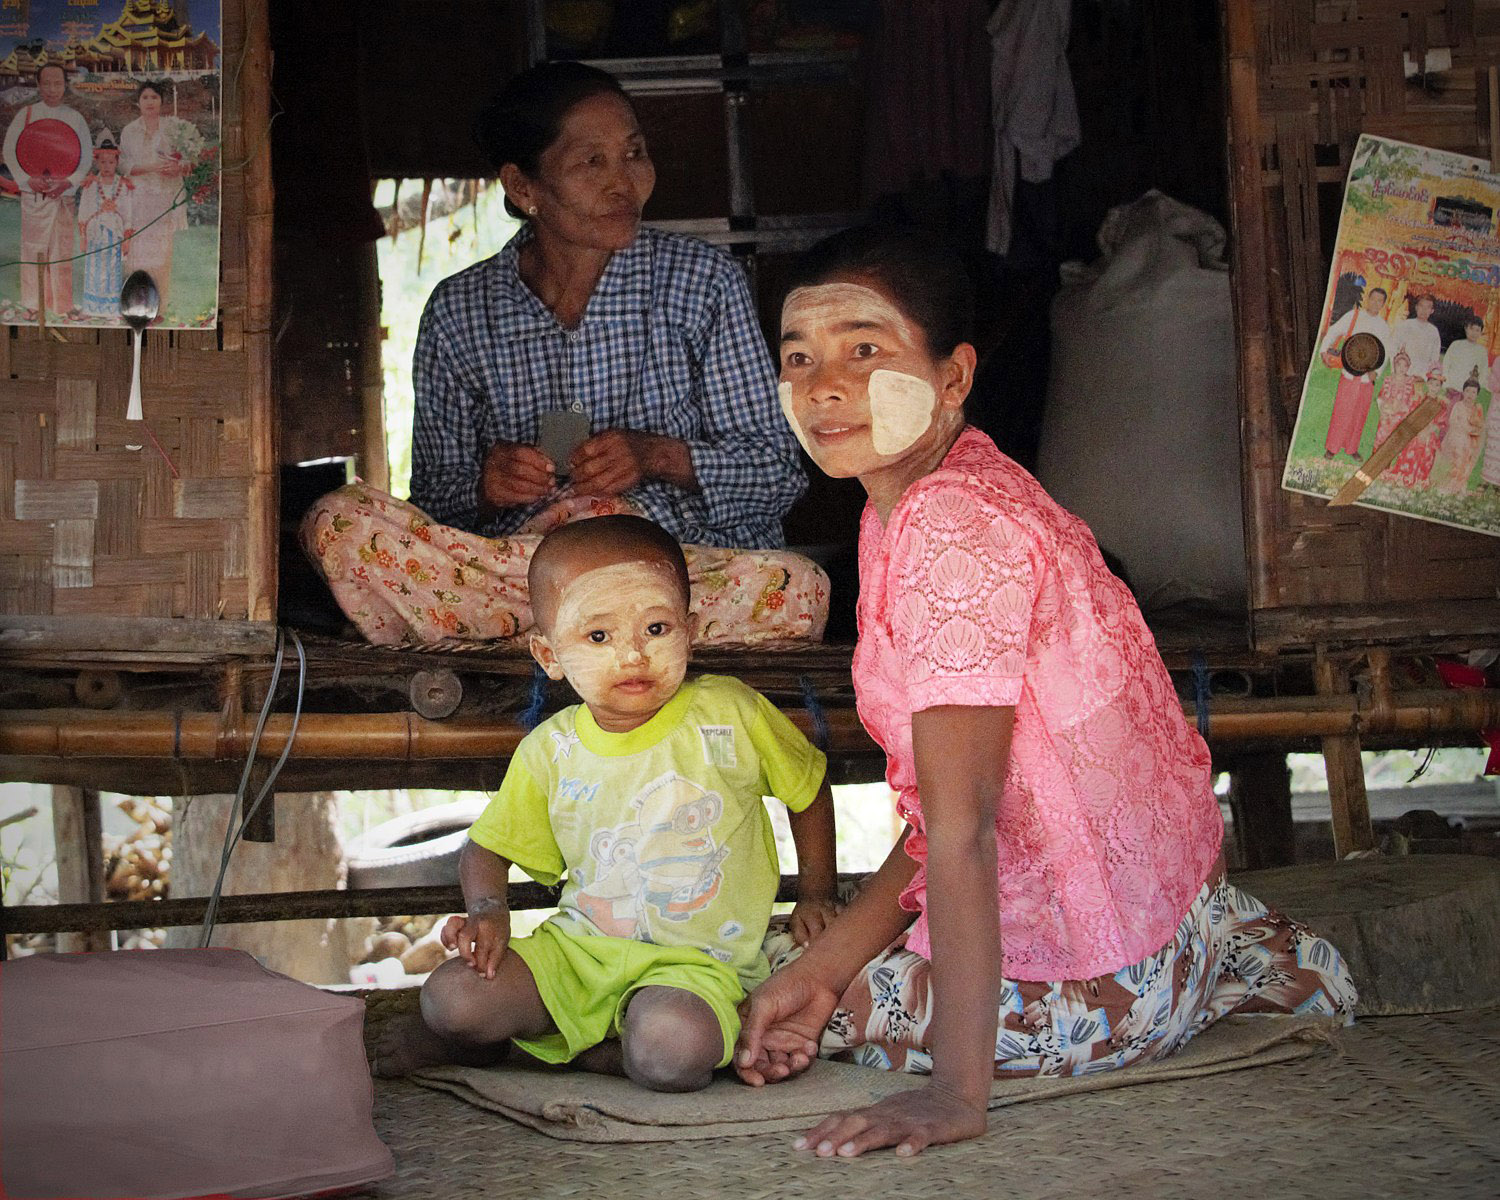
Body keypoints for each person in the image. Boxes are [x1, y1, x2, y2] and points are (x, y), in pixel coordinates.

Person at [733, 227, 1357, 1158]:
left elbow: (964, 828)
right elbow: (954, 811)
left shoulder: (948, 529)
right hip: (1176, 924)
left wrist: (953, 1092)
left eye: (865, 349)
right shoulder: (942, 486)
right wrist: (832, 961)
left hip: (1104, 981)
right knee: (805, 970)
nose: (824, 383)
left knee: (719, 1000)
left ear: (952, 377)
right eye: (799, 357)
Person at [302, 61, 826, 647]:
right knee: (338, 523)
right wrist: (486, 485)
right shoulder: (461, 311)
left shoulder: (703, 283)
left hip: (668, 574)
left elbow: (778, 474)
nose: (624, 183)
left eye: (634, 154)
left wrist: (656, 457)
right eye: (591, 162)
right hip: (520, 574)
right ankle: (580, 638)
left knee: (795, 587)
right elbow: (434, 503)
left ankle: (543, 644)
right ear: (524, 188)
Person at [373, 515, 839, 1090]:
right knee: (451, 999)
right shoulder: (553, 749)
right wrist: (490, 910)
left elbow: (809, 789)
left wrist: (817, 891)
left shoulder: (730, 713)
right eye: (598, 637)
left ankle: (562, 1053)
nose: (633, 656)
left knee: (674, 1049)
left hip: (696, 969)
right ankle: (567, 1046)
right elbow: (486, 849)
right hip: (577, 955)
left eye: (657, 628)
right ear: (548, 654)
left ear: (690, 629)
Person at [2, 64, 91, 316]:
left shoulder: (75, 118)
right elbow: (10, 150)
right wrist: (27, 179)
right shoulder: (27, 114)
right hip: (34, 194)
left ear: (65, 85)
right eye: (47, 83)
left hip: (62, 195)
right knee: (33, 248)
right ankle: (32, 304)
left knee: (62, 249)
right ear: (39, 85)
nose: (52, 89)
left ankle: (62, 305)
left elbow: (84, 157)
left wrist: (68, 182)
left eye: (58, 83)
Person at [119, 79, 190, 311]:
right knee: (137, 252)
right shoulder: (130, 131)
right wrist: (153, 167)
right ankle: (135, 304)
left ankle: (160, 305)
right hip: (139, 200)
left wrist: (178, 167)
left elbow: (189, 161)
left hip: (165, 199)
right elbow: (124, 166)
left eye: (154, 97)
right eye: (145, 98)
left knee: (162, 252)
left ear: (162, 102)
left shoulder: (175, 128)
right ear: (138, 102)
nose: (150, 102)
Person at [1318, 284, 1391, 459]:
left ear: (1383, 305)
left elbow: (1386, 351)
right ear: (1368, 299)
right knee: (1342, 410)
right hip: (1350, 372)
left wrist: (1377, 373)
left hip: (1368, 376)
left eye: (1379, 301)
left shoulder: (1384, 326)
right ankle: (1332, 447)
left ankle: (1352, 448)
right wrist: (1324, 351)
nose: (1375, 303)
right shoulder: (1354, 316)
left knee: (1360, 413)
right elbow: (1334, 331)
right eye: (1373, 299)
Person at [76, 135, 135, 319]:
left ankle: (112, 309)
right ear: (97, 162)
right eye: (103, 162)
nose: (107, 166)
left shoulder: (123, 185)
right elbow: (84, 209)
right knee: (94, 269)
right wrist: (85, 235)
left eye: (111, 162)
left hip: (115, 235)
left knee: (112, 270)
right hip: (96, 233)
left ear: (117, 162)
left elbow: (128, 212)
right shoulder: (91, 184)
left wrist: (126, 237)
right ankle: (91, 308)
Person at [1369, 350, 1440, 489]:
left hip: (1400, 417)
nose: (1401, 368)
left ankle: (1388, 469)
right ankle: (1376, 468)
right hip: (1386, 416)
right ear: (1394, 365)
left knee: (1395, 443)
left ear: (1408, 367)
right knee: (1381, 440)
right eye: (1399, 365)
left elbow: (1412, 401)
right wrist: (1384, 409)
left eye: (1405, 366)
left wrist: (1400, 409)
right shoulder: (1388, 379)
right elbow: (1380, 397)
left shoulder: (1409, 382)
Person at [1430, 378, 1486, 495]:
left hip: (1469, 442)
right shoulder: (1458, 405)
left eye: (1473, 392)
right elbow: (1453, 422)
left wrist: (1475, 430)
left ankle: (1460, 485)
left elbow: (1480, 426)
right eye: (1468, 391)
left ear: (1477, 395)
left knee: (1466, 463)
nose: (1470, 395)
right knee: (1455, 462)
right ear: (1463, 392)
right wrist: (1468, 430)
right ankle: (1449, 486)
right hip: (1456, 439)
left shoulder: (1476, 409)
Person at [1389, 293, 1441, 381]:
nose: (1423, 310)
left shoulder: (1433, 331)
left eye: (1428, 307)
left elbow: (1434, 358)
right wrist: (1396, 371)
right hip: (1401, 375)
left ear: (1432, 311)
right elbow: (1393, 348)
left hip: (1420, 377)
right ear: (1416, 307)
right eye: (1421, 306)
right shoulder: (1405, 325)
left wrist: (1424, 377)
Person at [1442, 316, 1490, 395]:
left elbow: (1483, 372)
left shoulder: (1482, 351)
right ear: (1466, 328)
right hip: (1452, 387)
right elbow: (1446, 364)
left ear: (1481, 332)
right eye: (1471, 329)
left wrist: (1476, 389)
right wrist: (1447, 384)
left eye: (1477, 330)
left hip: (1469, 392)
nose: (1474, 333)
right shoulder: (1456, 345)